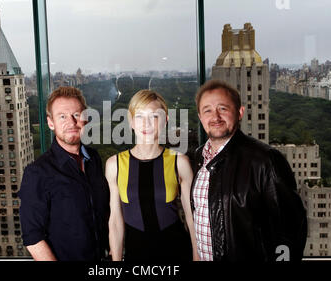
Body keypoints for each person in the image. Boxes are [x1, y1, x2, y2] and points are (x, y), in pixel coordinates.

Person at [191, 80, 307, 261]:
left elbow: (290, 229)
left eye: (223, 108)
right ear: (200, 117)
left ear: (239, 113)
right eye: (207, 110)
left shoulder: (266, 160)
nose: (215, 117)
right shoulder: (199, 157)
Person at [18, 86, 109, 261]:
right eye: (62, 116)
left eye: (76, 115)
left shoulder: (94, 159)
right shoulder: (37, 172)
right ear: (51, 123)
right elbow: (32, 237)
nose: (72, 123)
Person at [105, 89, 198, 261]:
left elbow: (192, 219)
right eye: (139, 116)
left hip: (177, 253)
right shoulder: (114, 165)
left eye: (154, 116)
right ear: (131, 122)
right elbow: (116, 221)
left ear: (165, 121)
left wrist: (197, 257)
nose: (146, 124)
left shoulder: (179, 162)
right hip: (135, 255)